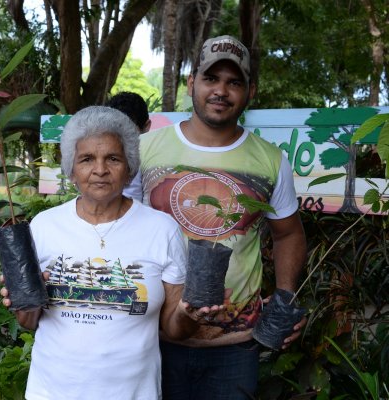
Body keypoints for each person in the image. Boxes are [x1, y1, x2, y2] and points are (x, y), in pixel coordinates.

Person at [0, 106, 226, 400]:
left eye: (113, 158)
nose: (100, 170)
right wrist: (25, 302)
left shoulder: (161, 229)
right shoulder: (44, 226)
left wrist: (187, 313)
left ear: (129, 167)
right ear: (71, 169)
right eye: (86, 159)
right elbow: (28, 322)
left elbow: (173, 329)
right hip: (51, 391)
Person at [126, 35, 307, 399]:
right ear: (191, 83)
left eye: (233, 82)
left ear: (249, 91)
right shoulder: (144, 150)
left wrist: (285, 297)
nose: (221, 90)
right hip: (150, 338)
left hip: (234, 347)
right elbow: (120, 226)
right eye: (211, 78)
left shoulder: (271, 160)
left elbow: (288, 234)